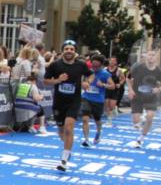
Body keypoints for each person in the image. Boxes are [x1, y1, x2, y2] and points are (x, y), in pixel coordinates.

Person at [43, 39, 88, 171]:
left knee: (69, 128)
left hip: (74, 101)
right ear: (62, 51)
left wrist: (87, 82)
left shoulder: (81, 65)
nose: (69, 51)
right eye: (66, 49)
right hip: (59, 102)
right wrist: (58, 80)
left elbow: (90, 76)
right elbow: (46, 81)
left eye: (71, 49)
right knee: (62, 130)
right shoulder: (55, 65)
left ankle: (64, 158)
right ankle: (68, 146)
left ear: (75, 52)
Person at [127, 49, 161, 148]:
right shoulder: (138, 67)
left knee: (150, 116)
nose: (151, 57)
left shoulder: (159, 70)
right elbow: (128, 78)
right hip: (137, 96)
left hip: (151, 97)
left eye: (153, 55)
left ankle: (141, 139)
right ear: (146, 56)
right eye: (149, 55)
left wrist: (158, 89)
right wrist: (130, 90)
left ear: (156, 58)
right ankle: (140, 121)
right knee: (136, 122)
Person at [79, 54, 113, 147]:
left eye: (97, 66)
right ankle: (86, 139)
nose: (94, 68)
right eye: (93, 65)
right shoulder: (88, 72)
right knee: (85, 119)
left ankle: (98, 132)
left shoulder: (105, 74)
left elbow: (112, 86)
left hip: (98, 100)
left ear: (101, 65)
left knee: (97, 120)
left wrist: (103, 85)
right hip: (86, 97)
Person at [103, 56, 124, 126]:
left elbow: (123, 78)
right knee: (106, 104)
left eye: (113, 61)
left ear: (116, 62)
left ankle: (114, 108)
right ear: (109, 61)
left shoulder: (119, 70)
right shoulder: (105, 69)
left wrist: (119, 84)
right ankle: (109, 120)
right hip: (107, 88)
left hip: (115, 90)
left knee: (111, 105)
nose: (112, 62)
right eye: (110, 60)